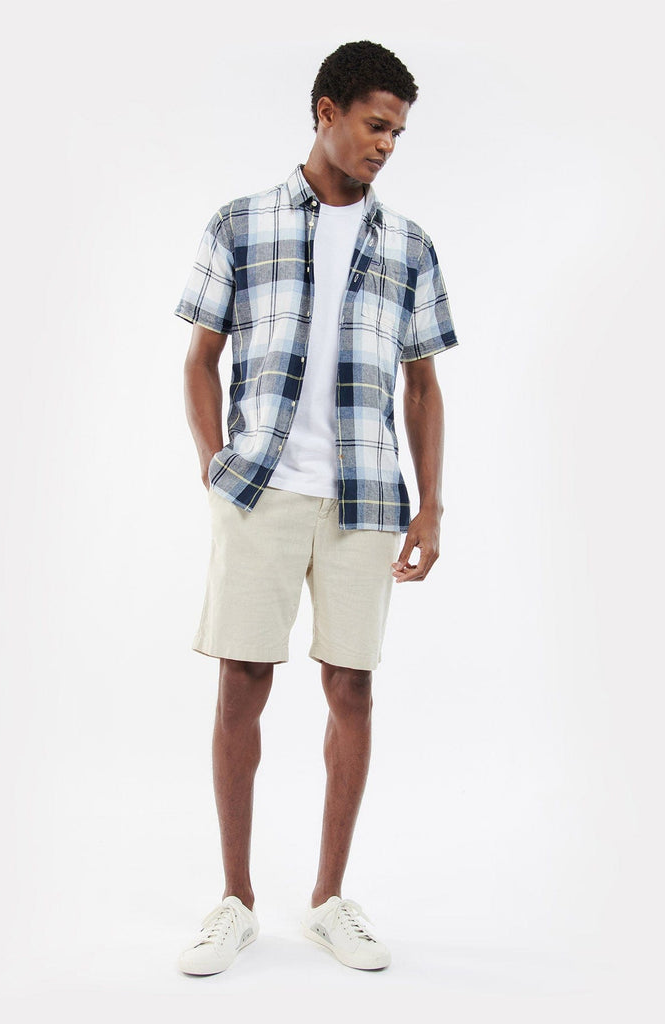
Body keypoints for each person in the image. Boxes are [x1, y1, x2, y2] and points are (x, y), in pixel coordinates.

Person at [173, 39, 459, 976]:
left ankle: (330, 900)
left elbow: (424, 386)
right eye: (376, 125)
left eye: (398, 133)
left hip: (366, 496)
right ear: (326, 112)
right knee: (241, 683)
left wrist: (432, 506)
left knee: (353, 687)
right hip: (259, 489)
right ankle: (235, 901)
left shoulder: (409, 244)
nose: (387, 145)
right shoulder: (240, 222)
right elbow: (200, 359)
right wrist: (214, 465)